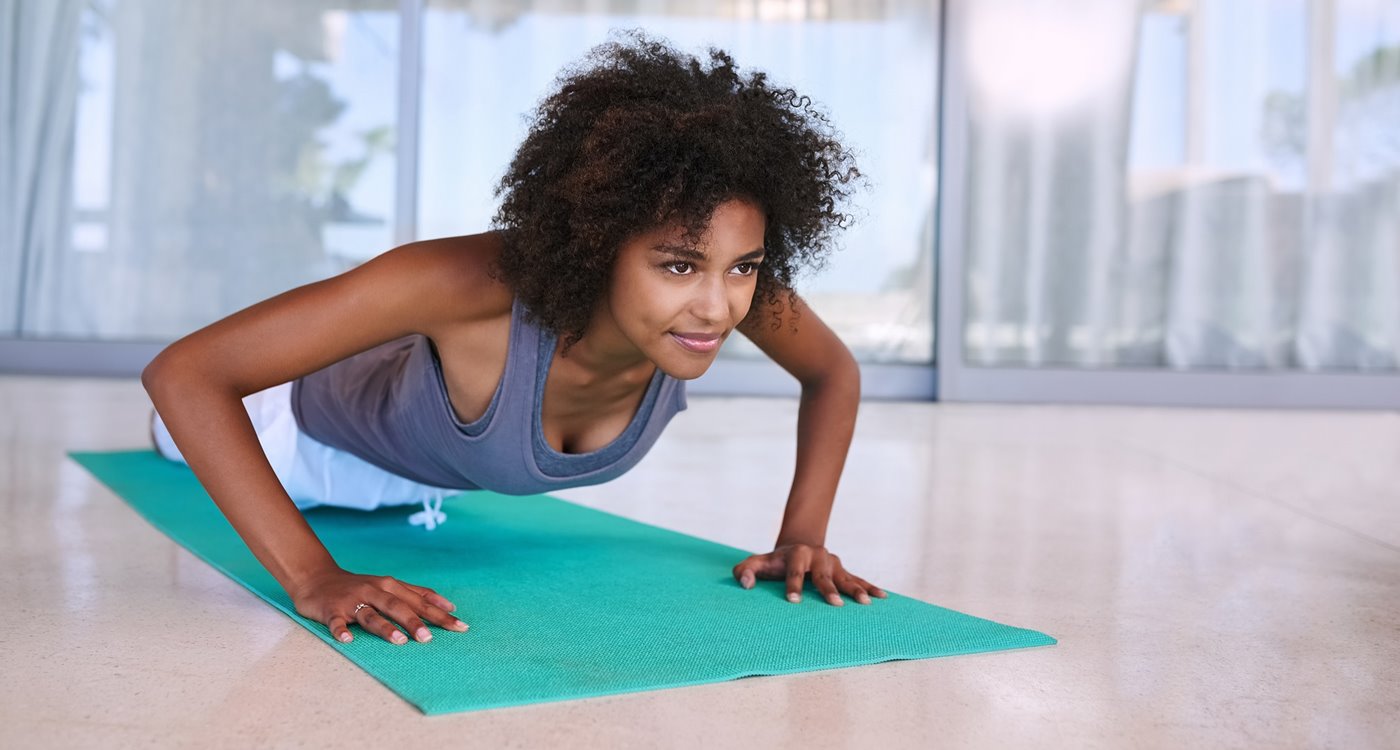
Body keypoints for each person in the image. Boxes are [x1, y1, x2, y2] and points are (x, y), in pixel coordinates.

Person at [142, 30, 887, 649]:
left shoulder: (722, 293)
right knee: (171, 432)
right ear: (597, 243)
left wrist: (803, 534)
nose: (718, 307)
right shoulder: (463, 282)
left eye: (743, 267)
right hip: (298, 436)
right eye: (678, 264)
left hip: (429, 479)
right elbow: (185, 376)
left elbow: (833, 373)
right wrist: (312, 575)